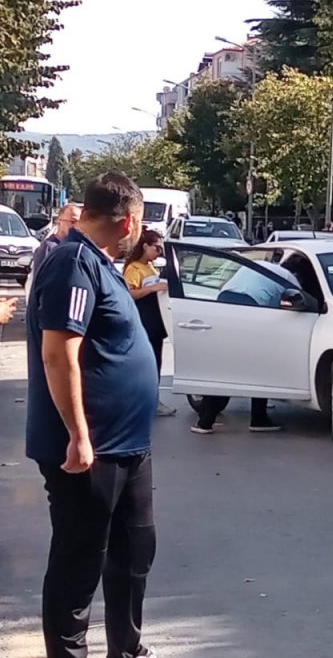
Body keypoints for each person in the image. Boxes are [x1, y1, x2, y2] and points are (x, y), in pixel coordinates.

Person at [26, 172, 158, 658]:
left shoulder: (99, 263)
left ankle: (128, 649)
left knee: (134, 553)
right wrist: (79, 435)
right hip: (90, 450)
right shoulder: (73, 264)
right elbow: (58, 354)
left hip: (128, 445)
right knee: (78, 563)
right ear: (128, 222)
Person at [189, 260, 293, 434]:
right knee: (258, 365)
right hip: (249, 305)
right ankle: (258, 419)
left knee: (224, 364)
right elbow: (289, 305)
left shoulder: (259, 264)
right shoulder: (289, 278)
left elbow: (225, 284)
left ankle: (205, 421)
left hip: (224, 299)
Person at [123, 229, 176, 417]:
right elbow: (129, 293)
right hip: (144, 320)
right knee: (147, 363)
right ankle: (146, 401)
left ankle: (152, 398)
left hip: (155, 322)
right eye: (156, 248)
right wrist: (153, 288)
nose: (158, 253)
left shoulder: (150, 267)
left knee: (155, 361)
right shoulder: (134, 269)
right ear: (145, 246)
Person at [30, 203, 83, 282]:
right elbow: (39, 281)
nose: (76, 226)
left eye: (79, 223)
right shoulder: (48, 248)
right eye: (73, 222)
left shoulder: (80, 248)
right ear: (59, 221)